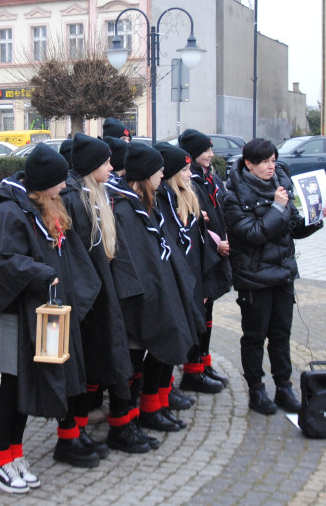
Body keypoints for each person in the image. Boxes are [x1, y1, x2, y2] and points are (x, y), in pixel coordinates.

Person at [0, 144, 98, 494]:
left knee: (26, 388)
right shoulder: (9, 213)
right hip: (14, 318)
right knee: (13, 389)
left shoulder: (40, 205)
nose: (65, 186)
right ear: (45, 184)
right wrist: (40, 271)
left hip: (38, 316)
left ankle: (14, 454)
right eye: (60, 181)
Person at [223, 138, 326, 415]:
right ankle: (257, 391)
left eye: (273, 160)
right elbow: (254, 234)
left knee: (281, 335)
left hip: (282, 274)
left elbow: (292, 226)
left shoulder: (279, 187)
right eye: (266, 162)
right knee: (255, 336)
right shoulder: (233, 195)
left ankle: (284, 387)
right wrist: (278, 208)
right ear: (249, 164)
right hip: (254, 278)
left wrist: (315, 218)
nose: (272, 166)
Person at [105, 143, 197, 447]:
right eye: (157, 170)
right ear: (144, 174)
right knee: (128, 365)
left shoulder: (146, 203)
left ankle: (143, 413)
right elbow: (128, 260)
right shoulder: (123, 208)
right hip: (134, 301)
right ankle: (122, 425)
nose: (162, 175)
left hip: (154, 294)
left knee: (143, 359)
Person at [57, 133, 132, 463]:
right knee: (76, 366)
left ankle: (80, 430)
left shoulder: (94, 194)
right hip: (82, 297)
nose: (112, 167)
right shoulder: (75, 199)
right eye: (106, 162)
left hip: (98, 292)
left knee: (96, 361)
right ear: (91, 167)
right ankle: (70, 435)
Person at [178, 129, 233, 388]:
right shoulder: (190, 182)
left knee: (208, 311)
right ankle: (192, 370)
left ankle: (203, 362)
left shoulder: (211, 178)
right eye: (205, 150)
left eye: (211, 149)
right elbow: (195, 223)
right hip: (205, 255)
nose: (211, 155)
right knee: (198, 313)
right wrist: (216, 243)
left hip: (217, 252)